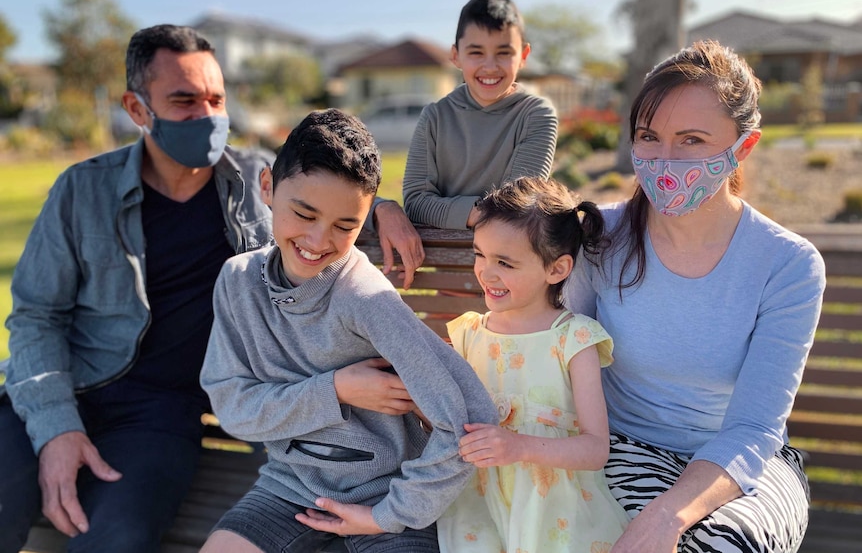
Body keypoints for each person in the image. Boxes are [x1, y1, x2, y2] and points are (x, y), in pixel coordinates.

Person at [0, 25, 423, 553]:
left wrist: (381, 207)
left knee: (115, 539)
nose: (206, 115)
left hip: (159, 415)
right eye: (184, 100)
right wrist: (57, 428)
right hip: (61, 390)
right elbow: (36, 319)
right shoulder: (81, 190)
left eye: (216, 98)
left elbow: (328, 182)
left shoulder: (253, 179)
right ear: (136, 108)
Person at [564, 40, 826, 553]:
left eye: (691, 140)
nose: (663, 160)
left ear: (743, 147)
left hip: (741, 464)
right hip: (619, 449)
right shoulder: (599, 236)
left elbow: (754, 427)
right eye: (648, 136)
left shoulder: (788, 265)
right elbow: (557, 357)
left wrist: (668, 516)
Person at [198, 108, 498, 553]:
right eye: (304, 213)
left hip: (387, 501)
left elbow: (470, 419)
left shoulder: (366, 299)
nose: (319, 241)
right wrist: (336, 389)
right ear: (267, 188)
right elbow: (234, 407)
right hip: (288, 490)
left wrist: (390, 513)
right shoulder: (238, 282)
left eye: (345, 226)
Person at [436, 176, 630, 552]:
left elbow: (595, 449)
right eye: (480, 254)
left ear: (556, 270)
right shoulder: (469, 335)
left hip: (554, 509)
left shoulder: (573, 339)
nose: (486, 273)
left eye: (505, 263)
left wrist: (518, 446)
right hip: (479, 505)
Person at [402, 0, 558, 230]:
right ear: (456, 56)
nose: (490, 67)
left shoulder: (536, 114)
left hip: (512, 261)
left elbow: (518, 204)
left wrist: (451, 211)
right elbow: (415, 204)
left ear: (524, 56)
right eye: (476, 52)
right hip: (443, 259)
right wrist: (484, 211)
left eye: (503, 53)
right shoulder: (435, 117)